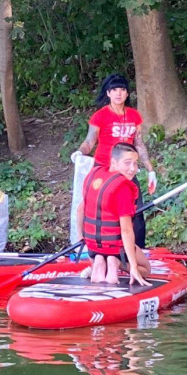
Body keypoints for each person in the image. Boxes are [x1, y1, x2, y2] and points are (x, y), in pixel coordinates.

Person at [71, 74, 156, 247]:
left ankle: (137, 249)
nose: (118, 93)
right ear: (108, 93)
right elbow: (89, 142)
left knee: (136, 211)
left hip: (127, 169)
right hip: (103, 168)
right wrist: (79, 153)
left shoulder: (134, 116)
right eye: (114, 90)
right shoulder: (100, 116)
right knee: (91, 205)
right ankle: (86, 243)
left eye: (122, 89)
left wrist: (150, 170)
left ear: (127, 94)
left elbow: (139, 143)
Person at [76, 142, 151, 285]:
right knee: (146, 269)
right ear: (114, 163)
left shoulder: (94, 174)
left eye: (135, 163)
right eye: (127, 163)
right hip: (115, 248)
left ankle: (99, 261)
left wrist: (81, 238)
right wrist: (133, 266)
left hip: (92, 246)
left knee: (101, 252)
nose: (132, 169)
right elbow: (126, 230)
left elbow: (80, 210)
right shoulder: (123, 187)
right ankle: (116, 262)